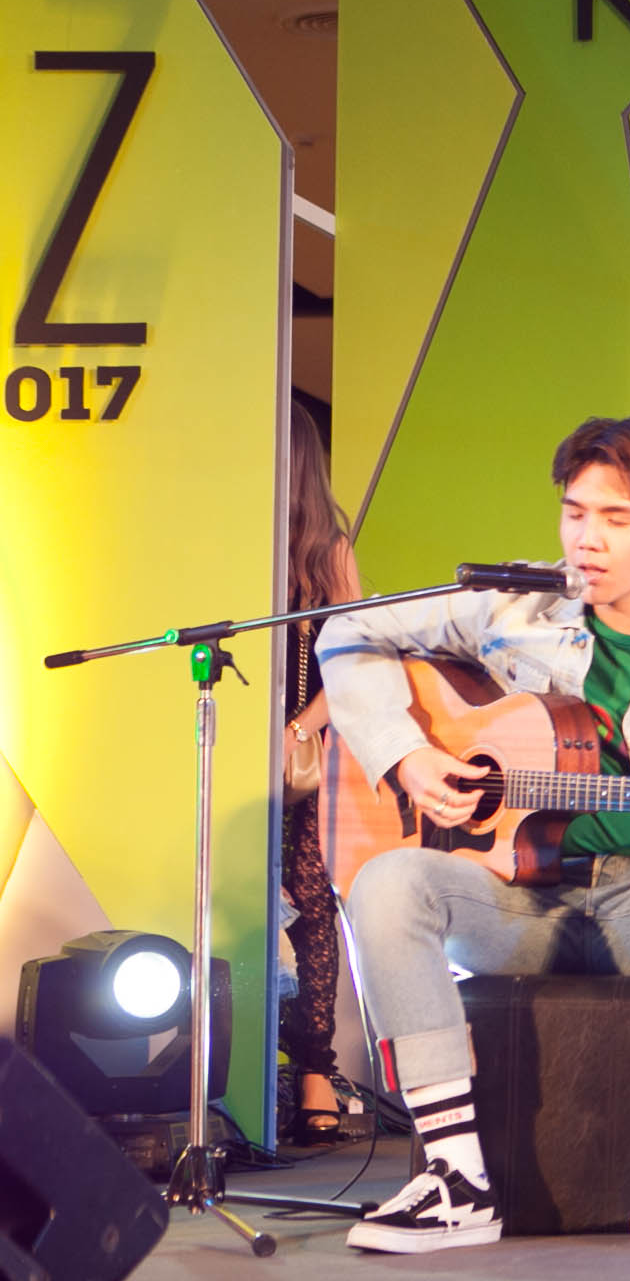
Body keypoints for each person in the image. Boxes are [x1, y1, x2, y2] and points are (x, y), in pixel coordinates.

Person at [323, 416, 630, 1253]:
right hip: (516, 903)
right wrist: (405, 756)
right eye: (575, 513)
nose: (587, 539)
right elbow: (347, 630)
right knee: (387, 880)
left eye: (616, 519)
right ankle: (455, 1180)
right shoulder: (510, 607)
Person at [279, 404, 360, 1147]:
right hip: (220, 746)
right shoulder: (229, 538)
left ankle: (315, 1073)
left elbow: (356, 661)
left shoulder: (327, 548)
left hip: (298, 757)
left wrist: (298, 730)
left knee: (309, 906)